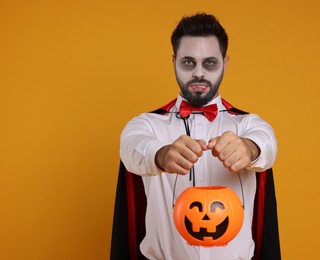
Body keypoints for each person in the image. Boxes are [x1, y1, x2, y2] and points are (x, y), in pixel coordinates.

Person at [111, 13, 280, 260]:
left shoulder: (248, 124)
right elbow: (132, 148)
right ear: (174, 62)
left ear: (226, 62)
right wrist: (162, 154)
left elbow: (268, 143)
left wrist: (249, 148)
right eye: (189, 62)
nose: (199, 73)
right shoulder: (146, 125)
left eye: (209, 63)